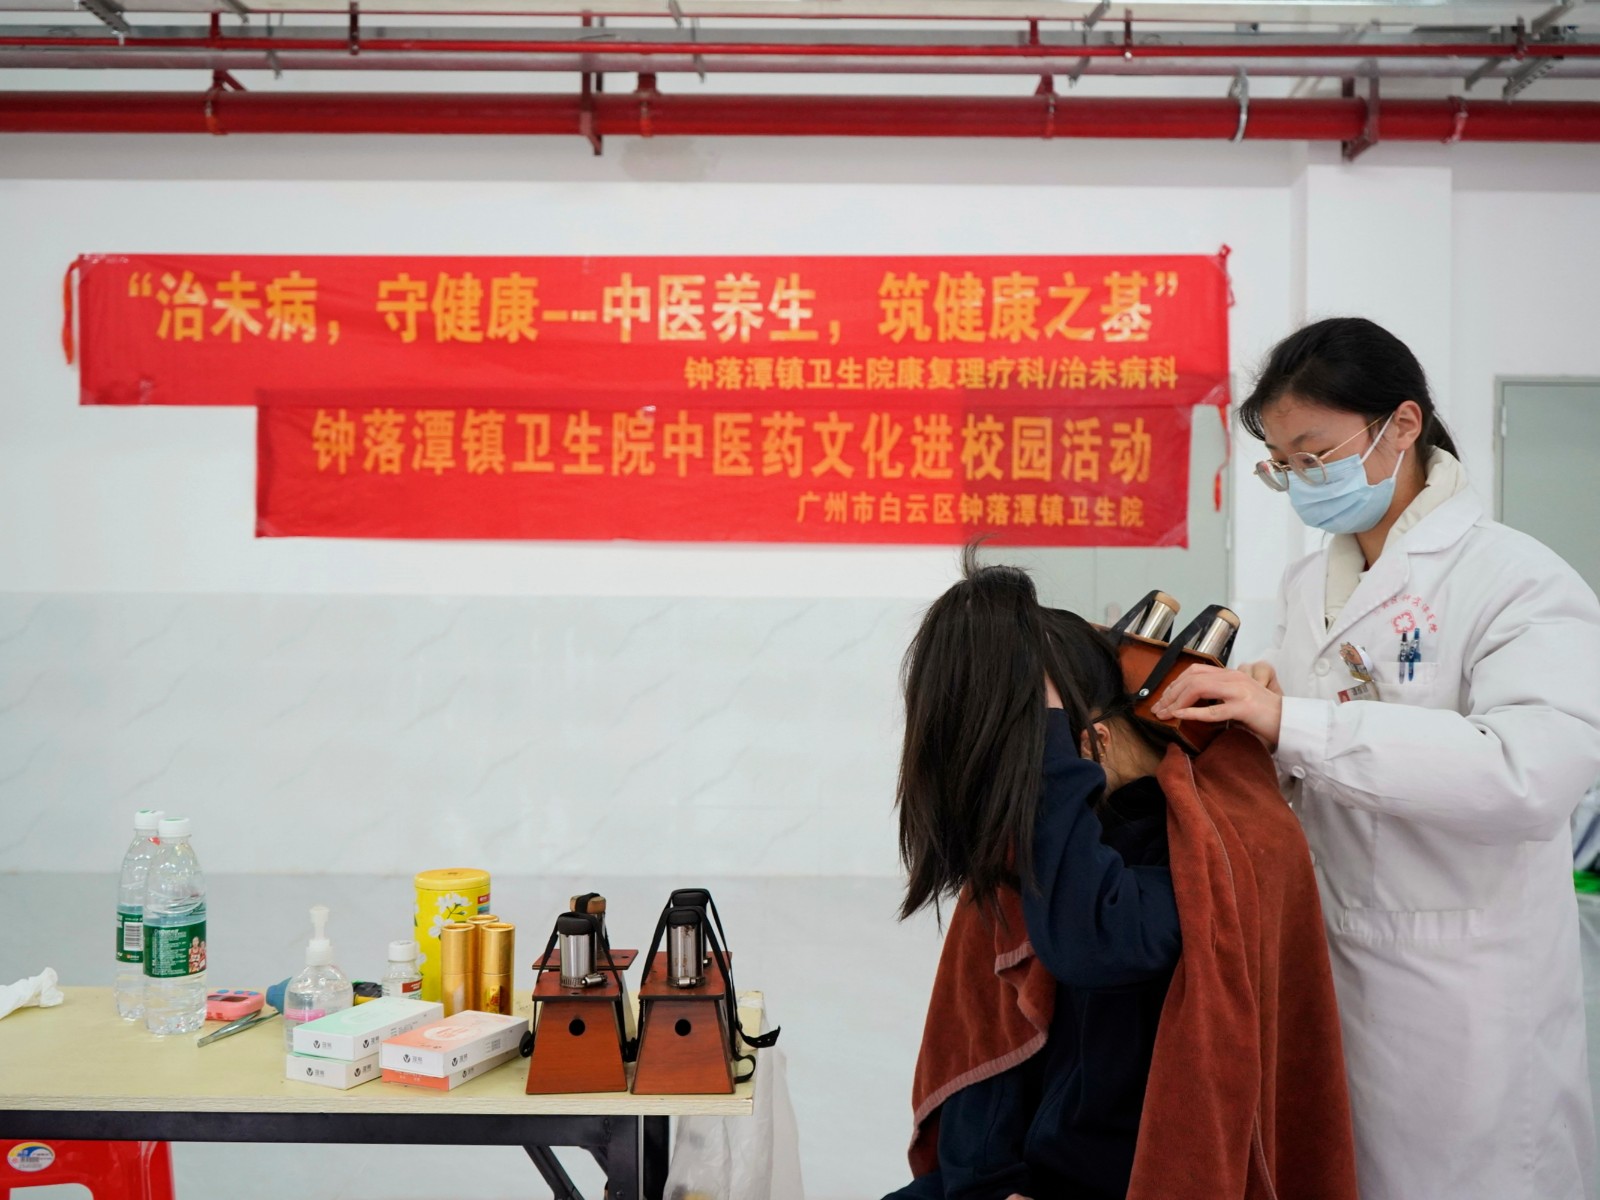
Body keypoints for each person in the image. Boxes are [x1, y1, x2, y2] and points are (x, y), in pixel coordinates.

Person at [1153, 316, 1600, 1200]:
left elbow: (1528, 776)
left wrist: (1297, 724)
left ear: (1402, 425)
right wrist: (1261, 706)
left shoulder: (1514, 578)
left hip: (1464, 985)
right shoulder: (1306, 583)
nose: (1300, 482)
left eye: (1315, 456)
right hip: (1332, 960)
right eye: (1282, 465)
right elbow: (1316, 739)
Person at [884, 553, 1182, 1200]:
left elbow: (1100, 939)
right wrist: (993, 1186)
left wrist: (1047, 729)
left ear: (1086, 744)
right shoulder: (1038, 848)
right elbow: (984, 1066)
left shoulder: (1197, 848)